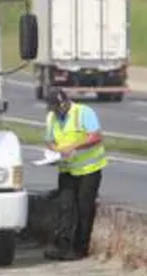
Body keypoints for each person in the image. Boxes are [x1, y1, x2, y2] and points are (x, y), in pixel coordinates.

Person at [43, 88, 108, 261]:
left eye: (58, 108)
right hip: (67, 169)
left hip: (89, 169)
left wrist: (74, 147)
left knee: (84, 209)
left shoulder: (83, 112)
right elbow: (49, 140)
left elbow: (96, 137)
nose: (56, 112)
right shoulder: (51, 117)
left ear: (65, 102)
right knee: (65, 208)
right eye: (53, 109)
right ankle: (61, 246)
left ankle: (80, 248)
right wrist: (55, 150)